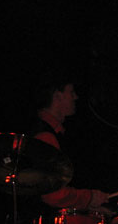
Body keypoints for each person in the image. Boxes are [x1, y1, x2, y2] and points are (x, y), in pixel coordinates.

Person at [32, 70, 109, 211]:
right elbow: (53, 195)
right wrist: (89, 197)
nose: (76, 97)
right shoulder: (45, 136)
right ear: (57, 96)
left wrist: (88, 206)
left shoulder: (52, 131)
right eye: (71, 92)